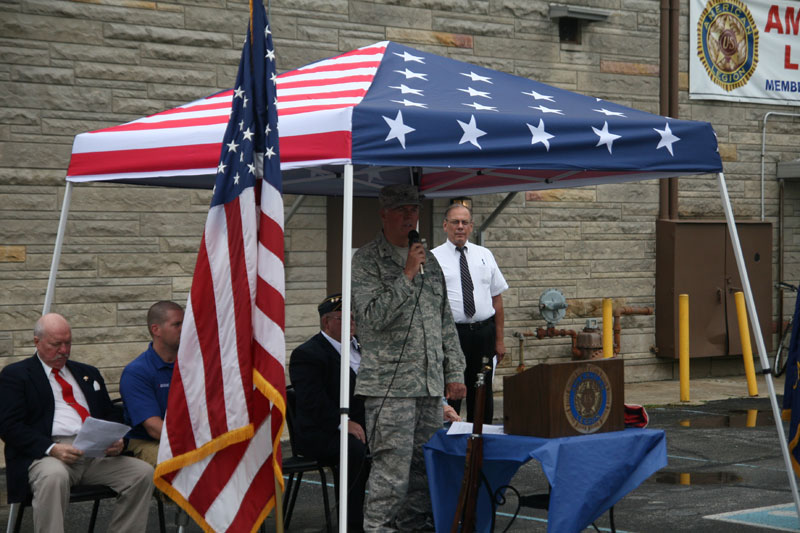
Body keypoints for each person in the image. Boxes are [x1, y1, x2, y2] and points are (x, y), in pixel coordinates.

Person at [352, 183, 467, 532]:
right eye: (401, 210)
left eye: (413, 210)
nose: (409, 216)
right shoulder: (367, 260)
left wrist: (455, 368)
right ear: (384, 214)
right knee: (391, 475)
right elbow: (370, 318)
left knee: (422, 473)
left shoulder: (429, 260)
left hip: (429, 387)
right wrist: (406, 275)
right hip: (390, 388)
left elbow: (443, 318)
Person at [0, 313, 154, 533]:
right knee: (54, 476)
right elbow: (9, 426)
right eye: (56, 344)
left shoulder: (87, 373)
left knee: (141, 473)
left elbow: (110, 413)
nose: (64, 350)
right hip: (48, 453)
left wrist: (117, 440)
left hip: (93, 452)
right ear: (37, 342)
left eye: (68, 343)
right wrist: (52, 448)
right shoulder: (17, 375)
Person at [289, 293, 369, 532]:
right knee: (355, 449)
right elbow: (312, 401)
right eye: (345, 318)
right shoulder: (308, 354)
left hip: (365, 424)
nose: (353, 323)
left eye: (355, 318)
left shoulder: (363, 348)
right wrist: (343, 422)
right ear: (327, 322)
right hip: (323, 432)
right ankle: (352, 522)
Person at [432, 203, 508, 424]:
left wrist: (500, 340)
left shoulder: (485, 255)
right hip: (451, 336)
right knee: (452, 391)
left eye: (465, 223)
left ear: (471, 227)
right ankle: (451, 444)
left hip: (483, 333)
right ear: (445, 225)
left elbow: (497, 299)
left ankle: (481, 444)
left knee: (482, 392)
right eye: (455, 222)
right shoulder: (433, 258)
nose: (460, 227)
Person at [119, 300, 183, 466]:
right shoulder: (137, 372)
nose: (184, 329)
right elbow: (154, 428)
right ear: (156, 330)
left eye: (185, 323)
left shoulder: (192, 365)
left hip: (188, 438)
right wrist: (191, 442)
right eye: (177, 324)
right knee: (177, 468)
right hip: (148, 441)